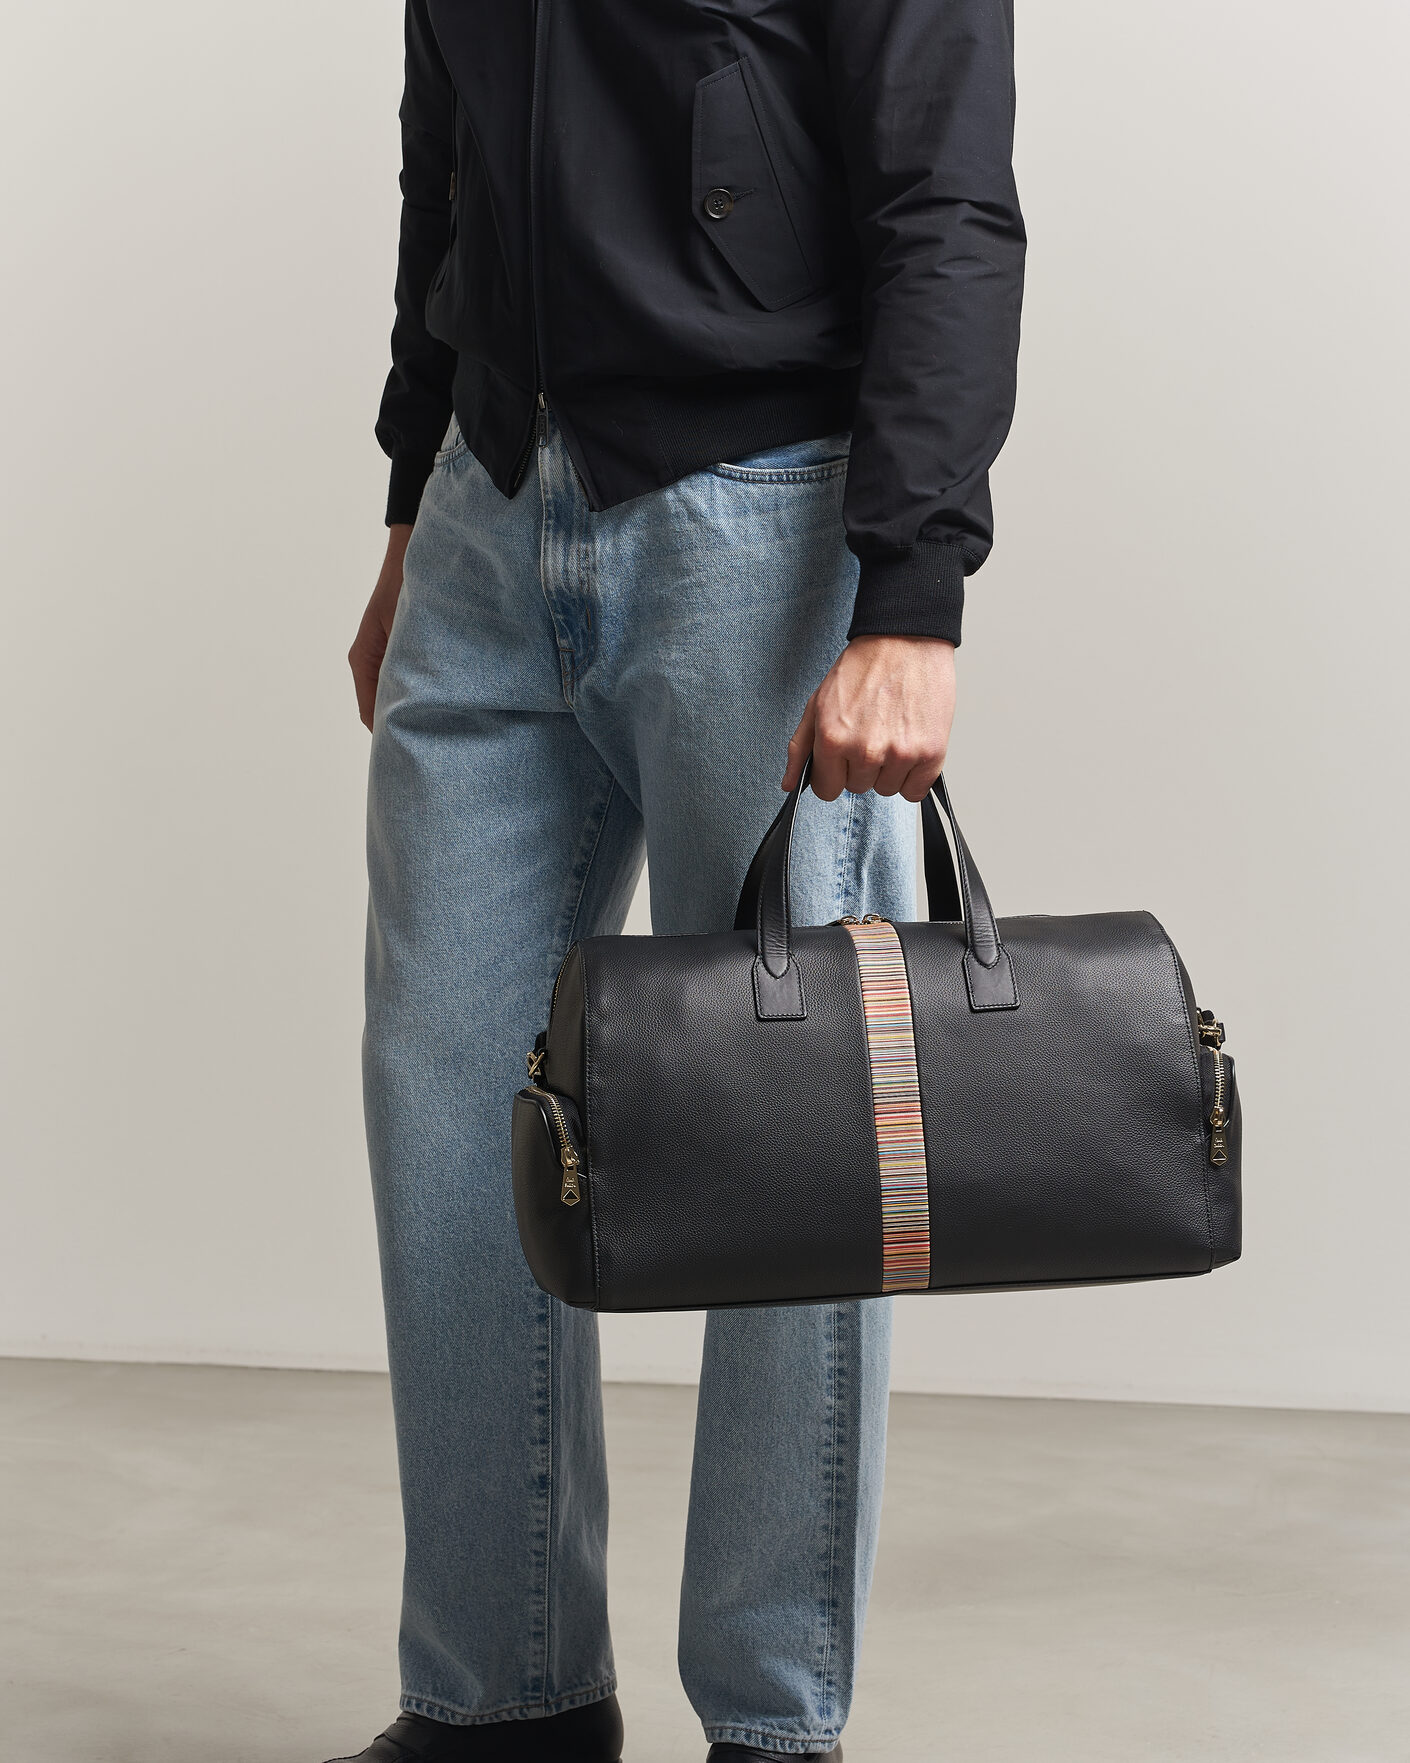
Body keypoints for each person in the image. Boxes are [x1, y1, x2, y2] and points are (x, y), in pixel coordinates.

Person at [335, 2, 1023, 1758]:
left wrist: (911, 594)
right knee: (449, 1117)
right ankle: (503, 1705)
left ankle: (772, 1726)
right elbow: (447, 171)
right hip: (490, 510)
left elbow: (944, 200)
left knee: (798, 1145)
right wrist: (412, 501)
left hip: (763, 516)